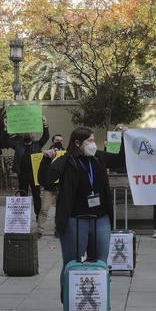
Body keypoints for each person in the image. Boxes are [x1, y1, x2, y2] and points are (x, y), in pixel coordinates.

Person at [40, 127, 115, 296]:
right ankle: (68, 300)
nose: (93, 144)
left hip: (100, 218)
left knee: (101, 262)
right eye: (89, 141)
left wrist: (126, 137)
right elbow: (46, 181)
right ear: (77, 143)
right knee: (72, 262)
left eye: (93, 140)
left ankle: (100, 303)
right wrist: (46, 160)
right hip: (75, 220)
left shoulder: (98, 158)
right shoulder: (66, 162)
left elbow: (121, 160)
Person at [12, 126, 51, 218]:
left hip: (35, 175)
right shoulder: (18, 145)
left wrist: (45, 126)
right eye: (25, 133)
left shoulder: (37, 144)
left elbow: (45, 137)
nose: (27, 134)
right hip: (22, 174)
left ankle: (38, 214)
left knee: (36, 195)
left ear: (32, 136)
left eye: (29, 133)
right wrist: (5, 128)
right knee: (23, 194)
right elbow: (5, 141)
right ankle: (24, 215)